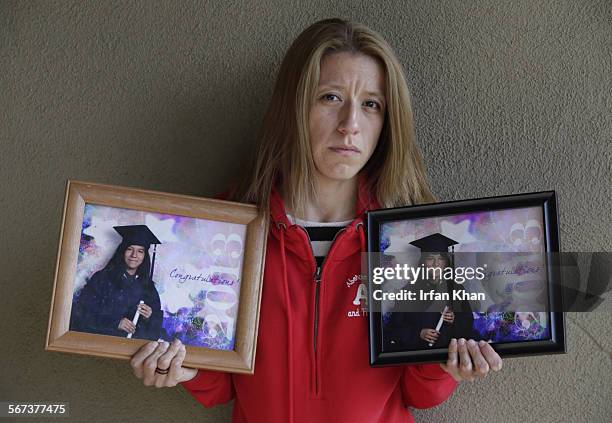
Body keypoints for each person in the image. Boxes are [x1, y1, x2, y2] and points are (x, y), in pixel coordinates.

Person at [129, 18, 503, 422]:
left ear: (386, 122)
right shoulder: (225, 233)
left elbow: (417, 392)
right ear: (294, 106)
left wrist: (445, 362)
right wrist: (182, 368)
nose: (350, 125)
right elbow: (221, 388)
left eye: (371, 104)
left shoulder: (406, 241)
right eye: (330, 97)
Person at [71, 225, 163, 340]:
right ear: (122, 251)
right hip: (102, 344)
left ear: (145, 256)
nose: (134, 255)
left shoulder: (148, 287)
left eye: (140, 251)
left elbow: (155, 333)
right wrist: (115, 323)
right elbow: (81, 314)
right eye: (130, 249)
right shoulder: (102, 279)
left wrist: (149, 317)